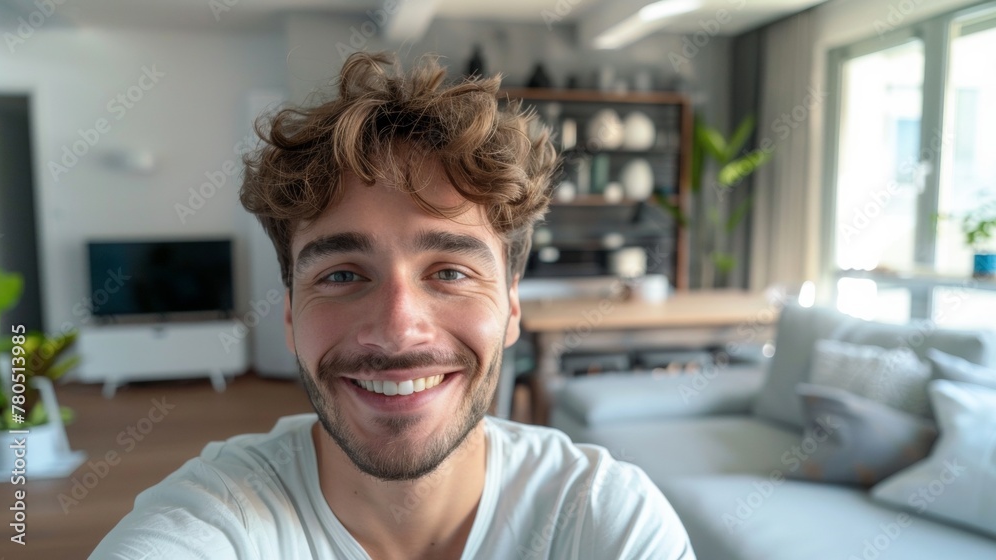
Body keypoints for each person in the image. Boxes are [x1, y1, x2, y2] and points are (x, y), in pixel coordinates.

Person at [91, 51, 695, 560]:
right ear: (291, 318)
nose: (397, 330)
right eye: (343, 273)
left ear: (512, 307)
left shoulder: (603, 520)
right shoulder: (217, 521)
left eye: (451, 271)